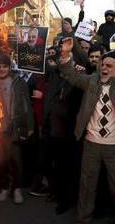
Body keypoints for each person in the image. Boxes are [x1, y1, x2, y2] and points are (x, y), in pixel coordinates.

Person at [59, 37, 115, 224]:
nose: (105, 68)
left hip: (113, 147)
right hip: (91, 143)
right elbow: (71, 75)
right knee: (87, 185)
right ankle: (84, 218)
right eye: (103, 65)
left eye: (110, 66)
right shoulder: (92, 82)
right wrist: (66, 53)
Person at [0, 54, 34, 204]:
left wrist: (30, 126)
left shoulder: (18, 81)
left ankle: (16, 189)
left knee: (16, 160)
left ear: (9, 68)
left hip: (15, 127)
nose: (1, 69)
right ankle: (4, 188)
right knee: (1, 160)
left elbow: (27, 104)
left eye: (4, 66)